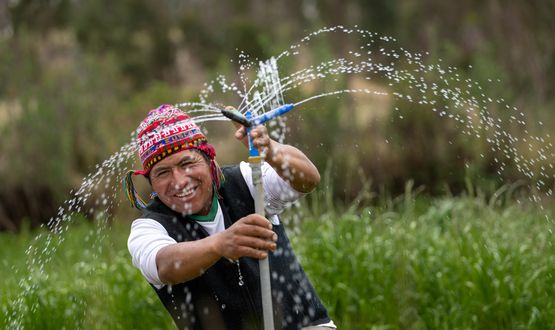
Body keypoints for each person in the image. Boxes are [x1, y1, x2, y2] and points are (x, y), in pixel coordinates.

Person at [125, 104, 336, 329]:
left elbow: (308, 179)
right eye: (163, 172)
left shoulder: (247, 179)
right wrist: (221, 244)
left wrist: (270, 150)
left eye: (187, 163)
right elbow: (164, 266)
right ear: (151, 182)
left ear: (209, 160)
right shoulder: (147, 227)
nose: (179, 181)